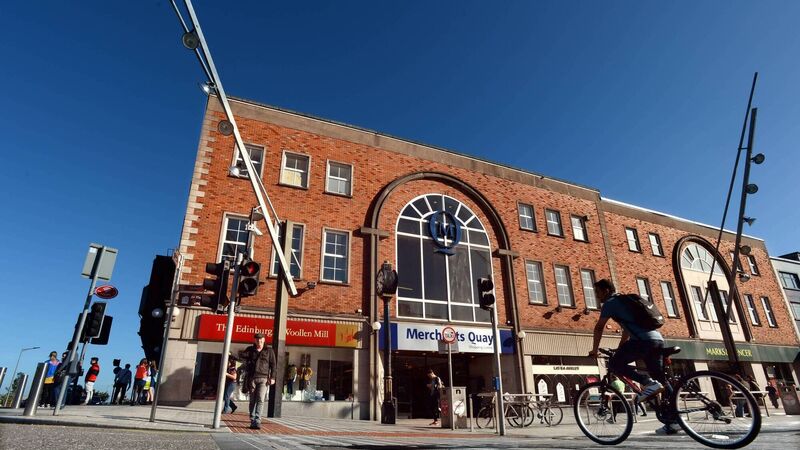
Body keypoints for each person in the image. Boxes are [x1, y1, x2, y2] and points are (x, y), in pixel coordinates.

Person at [588, 279, 678, 435]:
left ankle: (647, 382)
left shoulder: (610, 303)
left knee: (614, 365)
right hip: (657, 339)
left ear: (606, 291)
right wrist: (621, 347)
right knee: (661, 380)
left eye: (598, 292)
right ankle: (675, 420)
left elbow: (599, 328)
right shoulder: (625, 300)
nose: (597, 296)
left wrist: (594, 350)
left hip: (643, 341)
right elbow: (627, 330)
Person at [238, 333, 276, 430]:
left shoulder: (269, 351)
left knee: (260, 399)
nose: (259, 341)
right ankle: (252, 419)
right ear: (254, 340)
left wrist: (272, 377)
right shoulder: (250, 349)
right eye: (257, 340)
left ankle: (257, 420)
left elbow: (273, 365)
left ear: (264, 340)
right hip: (252, 378)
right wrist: (244, 355)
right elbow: (242, 356)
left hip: (263, 378)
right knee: (252, 400)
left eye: (261, 339)